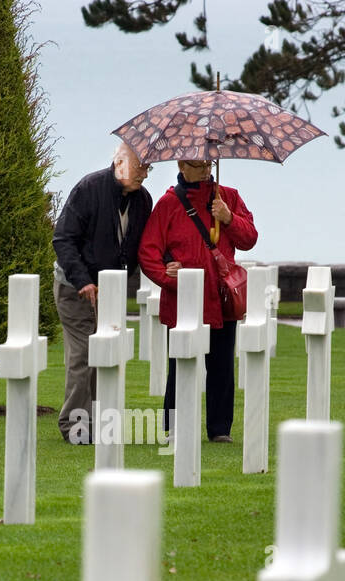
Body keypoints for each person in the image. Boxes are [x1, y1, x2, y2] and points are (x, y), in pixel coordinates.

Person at [138, 158, 258, 442]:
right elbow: (148, 251)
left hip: (221, 299)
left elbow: (249, 238)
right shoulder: (168, 204)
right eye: (199, 165)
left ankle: (219, 430)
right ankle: (173, 429)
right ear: (182, 166)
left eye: (208, 164)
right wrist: (169, 276)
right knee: (179, 367)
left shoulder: (228, 197)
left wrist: (229, 217)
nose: (206, 170)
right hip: (183, 302)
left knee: (222, 368)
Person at [51, 143, 153, 443]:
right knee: (83, 355)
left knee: (106, 355)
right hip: (75, 289)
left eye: (148, 168)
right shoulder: (89, 188)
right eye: (140, 167)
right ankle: (74, 425)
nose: (144, 175)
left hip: (110, 291)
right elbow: (63, 239)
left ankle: (98, 421)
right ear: (120, 163)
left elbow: (141, 247)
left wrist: (164, 266)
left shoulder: (142, 201)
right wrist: (83, 281)